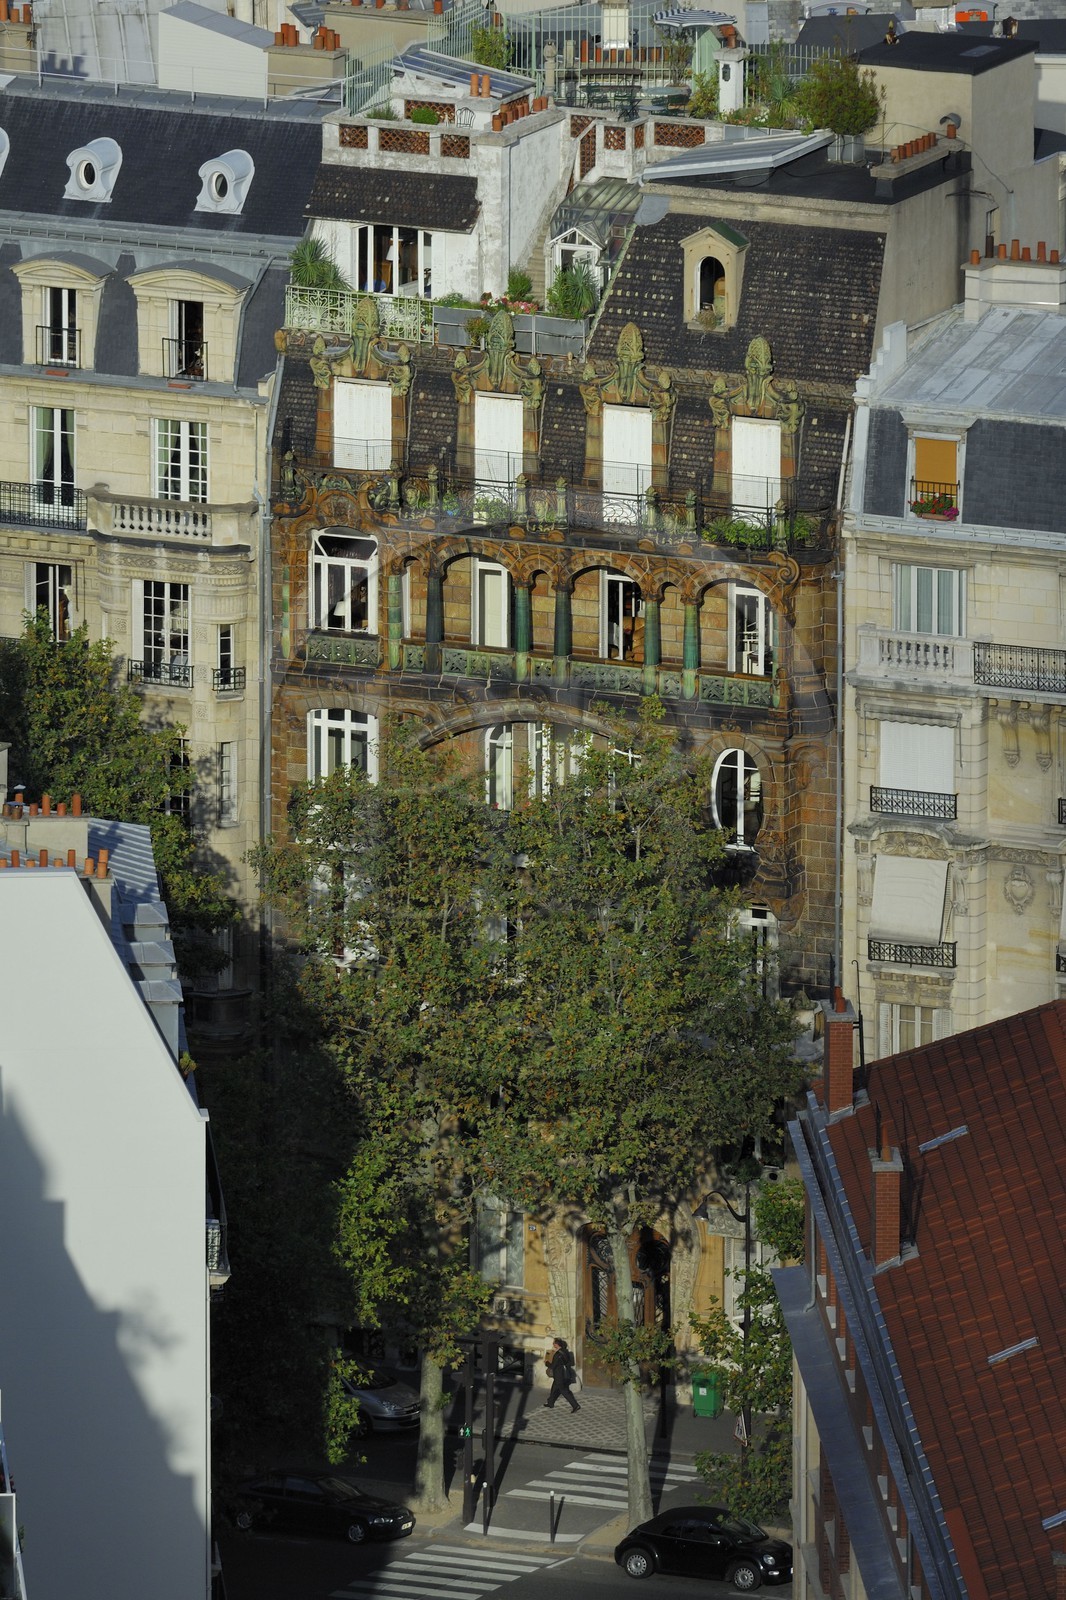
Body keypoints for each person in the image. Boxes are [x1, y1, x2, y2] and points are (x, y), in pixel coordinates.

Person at [543, 1337, 580, 1412]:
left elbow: (553, 1366)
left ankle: (575, 1405)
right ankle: (550, 1403)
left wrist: (546, 1362)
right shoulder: (565, 1352)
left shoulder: (557, 1355)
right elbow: (569, 1362)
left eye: (554, 1343)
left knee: (564, 1391)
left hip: (559, 1375)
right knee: (553, 1389)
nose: (553, 1344)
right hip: (563, 1374)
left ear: (556, 1345)